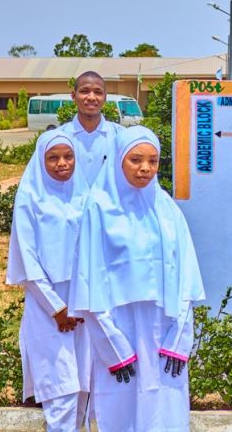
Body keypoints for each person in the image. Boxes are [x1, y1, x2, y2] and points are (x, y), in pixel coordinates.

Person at [69, 126, 205, 432]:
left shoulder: (167, 209)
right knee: (120, 410)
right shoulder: (99, 207)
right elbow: (89, 282)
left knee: (166, 412)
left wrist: (178, 339)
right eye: (135, 160)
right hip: (120, 329)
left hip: (163, 331)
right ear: (119, 160)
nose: (145, 168)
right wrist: (113, 346)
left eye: (153, 161)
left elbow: (185, 279)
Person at [6, 130, 91, 432]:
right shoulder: (30, 197)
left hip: (83, 307)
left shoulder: (84, 195)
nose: (62, 164)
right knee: (60, 392)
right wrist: (56, 307)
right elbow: (27, 258)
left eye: (68, 156)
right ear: (40, 161)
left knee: (83, 390)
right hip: (48, 309)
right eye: (53, 158)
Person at [60, 71, 124, 186]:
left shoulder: (121, 136)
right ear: (73, 96)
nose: (91, 97)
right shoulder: (58, 137)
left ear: (105, 97)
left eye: (98, 92)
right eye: (85, 91)